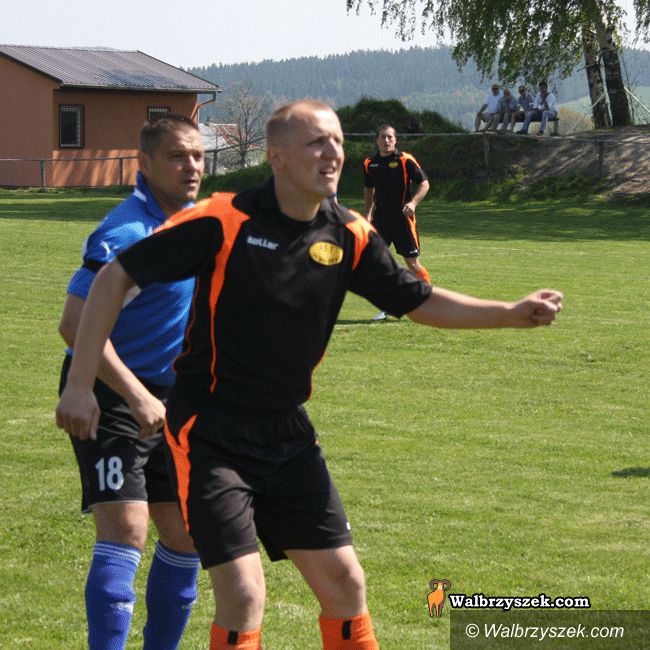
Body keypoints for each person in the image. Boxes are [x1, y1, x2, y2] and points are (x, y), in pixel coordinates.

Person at [56, 99, 563, 650]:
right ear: (276, 156)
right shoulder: (223, 220)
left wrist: (510, 313)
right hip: (210, 432)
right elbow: (112, 280)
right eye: (317, 142)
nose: (333, 153)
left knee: (346, 583)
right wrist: (80, 386)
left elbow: (417, 301)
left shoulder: (350, 233)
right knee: (243, 593)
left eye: (338, 141)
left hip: (287, 434)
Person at [57, 113, 204, 650]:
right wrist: (135, 395)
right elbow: (75, 323)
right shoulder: (127, 233)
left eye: (197, 155)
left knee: (187, 535)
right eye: (176, 156)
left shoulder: (198, 223)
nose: (191, 167)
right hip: (110, 393)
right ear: (144, 163)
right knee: (126, 531)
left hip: (173, 399)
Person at [363, 124, 431, 321]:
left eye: (390, 137)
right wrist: (367, 213)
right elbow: (368, 188)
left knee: (412, 263)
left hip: (403, 220)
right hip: (381, 221)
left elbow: (424, 183)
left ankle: (426, 300)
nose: (387, 141)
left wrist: (413, 203)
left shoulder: (404, 160)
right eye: (383, 137)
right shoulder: (369, 163)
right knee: (375, 262)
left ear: (395, 139)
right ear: (377, 140)